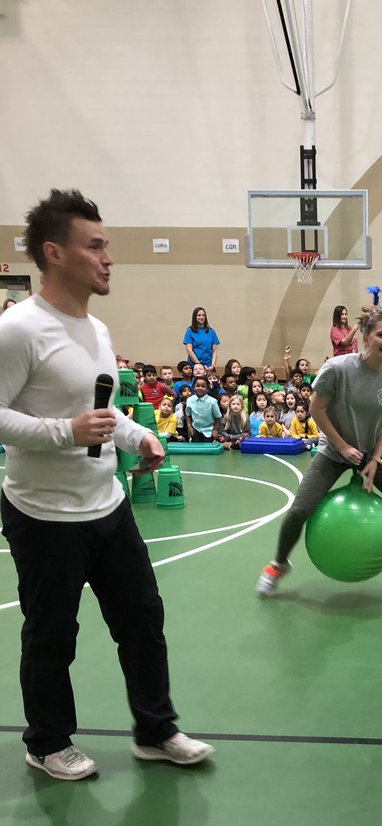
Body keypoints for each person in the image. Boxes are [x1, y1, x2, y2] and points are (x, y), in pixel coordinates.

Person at [0, 189, 212, 780]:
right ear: (55, 253)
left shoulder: (96, 328)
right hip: (43, 514)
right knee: (52, 636)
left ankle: (155, 729)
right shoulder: (18, 329)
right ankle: (46, 743)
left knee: (143, 619)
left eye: (107, 246)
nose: (108, 258)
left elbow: (103, 411)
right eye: (95, 246)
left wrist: (136, 439)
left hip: (107, 506)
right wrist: (64, 432)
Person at [256, 307, 382, 595]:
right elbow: (316, 409)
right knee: (299, 510)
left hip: (374, 453)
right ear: (366, 336)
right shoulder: (338, 369)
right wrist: (343, 446)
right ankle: (279, 564)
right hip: (334, 452)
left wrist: (375, 457)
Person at [185, 375, 221, 442]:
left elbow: (218, 417)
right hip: (195, 429)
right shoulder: (189, 400)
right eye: (198, 386)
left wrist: (215, 430)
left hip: (209, 430)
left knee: (207, 448)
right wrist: (189, 426)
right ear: (194, 387)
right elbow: (188, 414)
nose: (200, 388)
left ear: (207, 388)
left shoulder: (212, 401)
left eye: (203, 386)